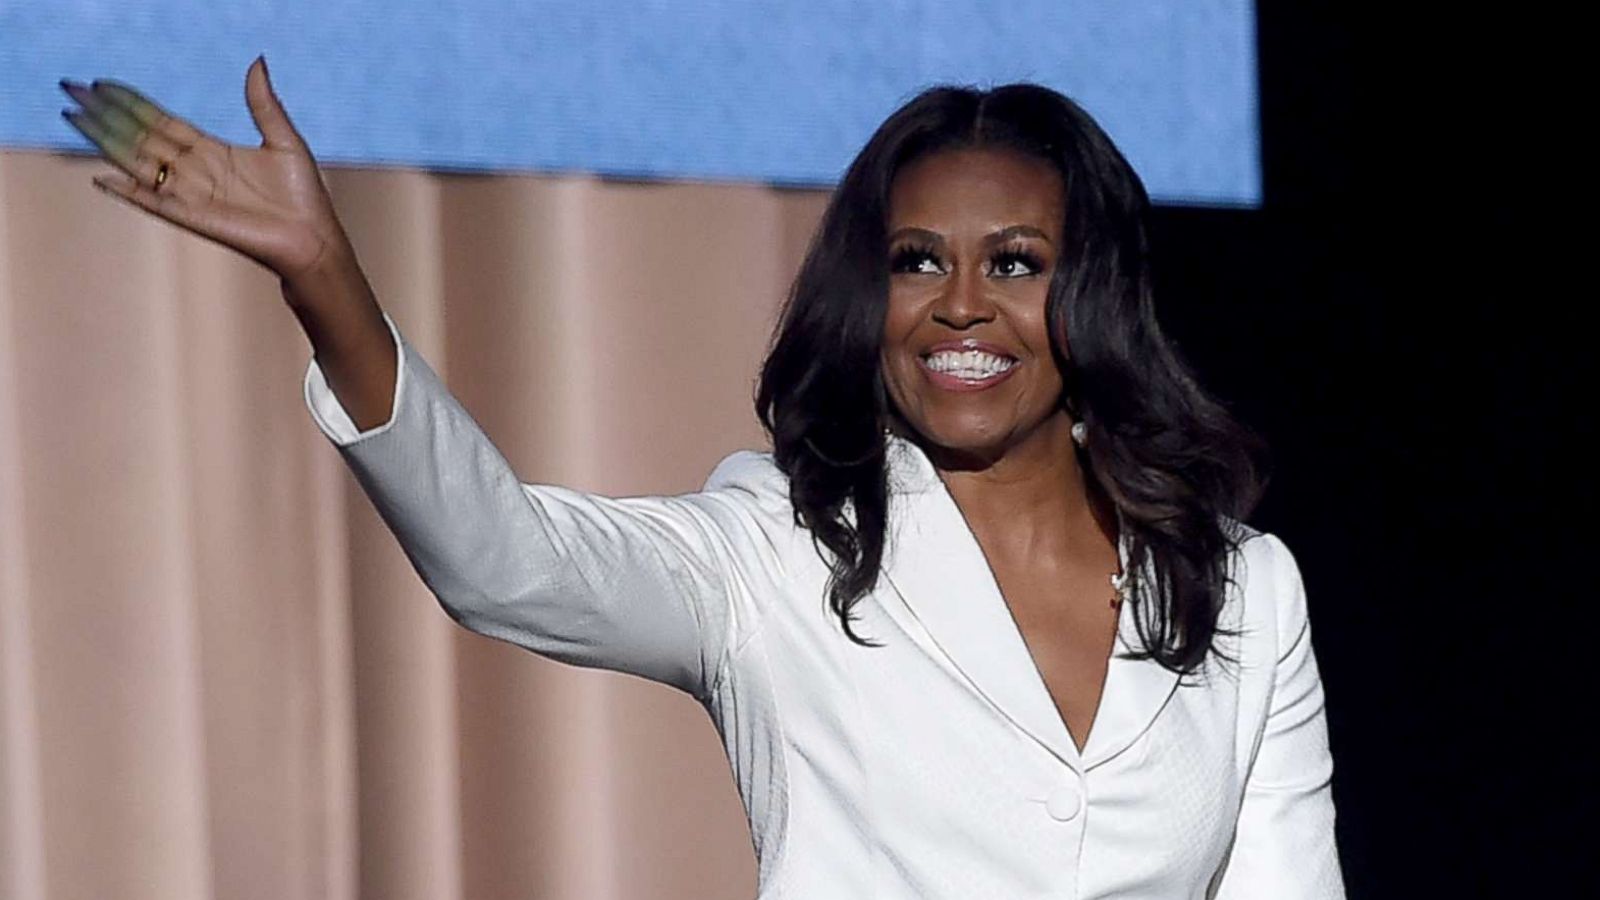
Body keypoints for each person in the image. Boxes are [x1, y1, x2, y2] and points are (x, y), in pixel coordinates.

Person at [60, 57, 1345, 898]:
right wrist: (330, 289)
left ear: (1095, 290)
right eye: (914, 261)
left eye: (1013, 261)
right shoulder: (778, 549)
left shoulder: (1242, 592)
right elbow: (506, 565)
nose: (960, 306)